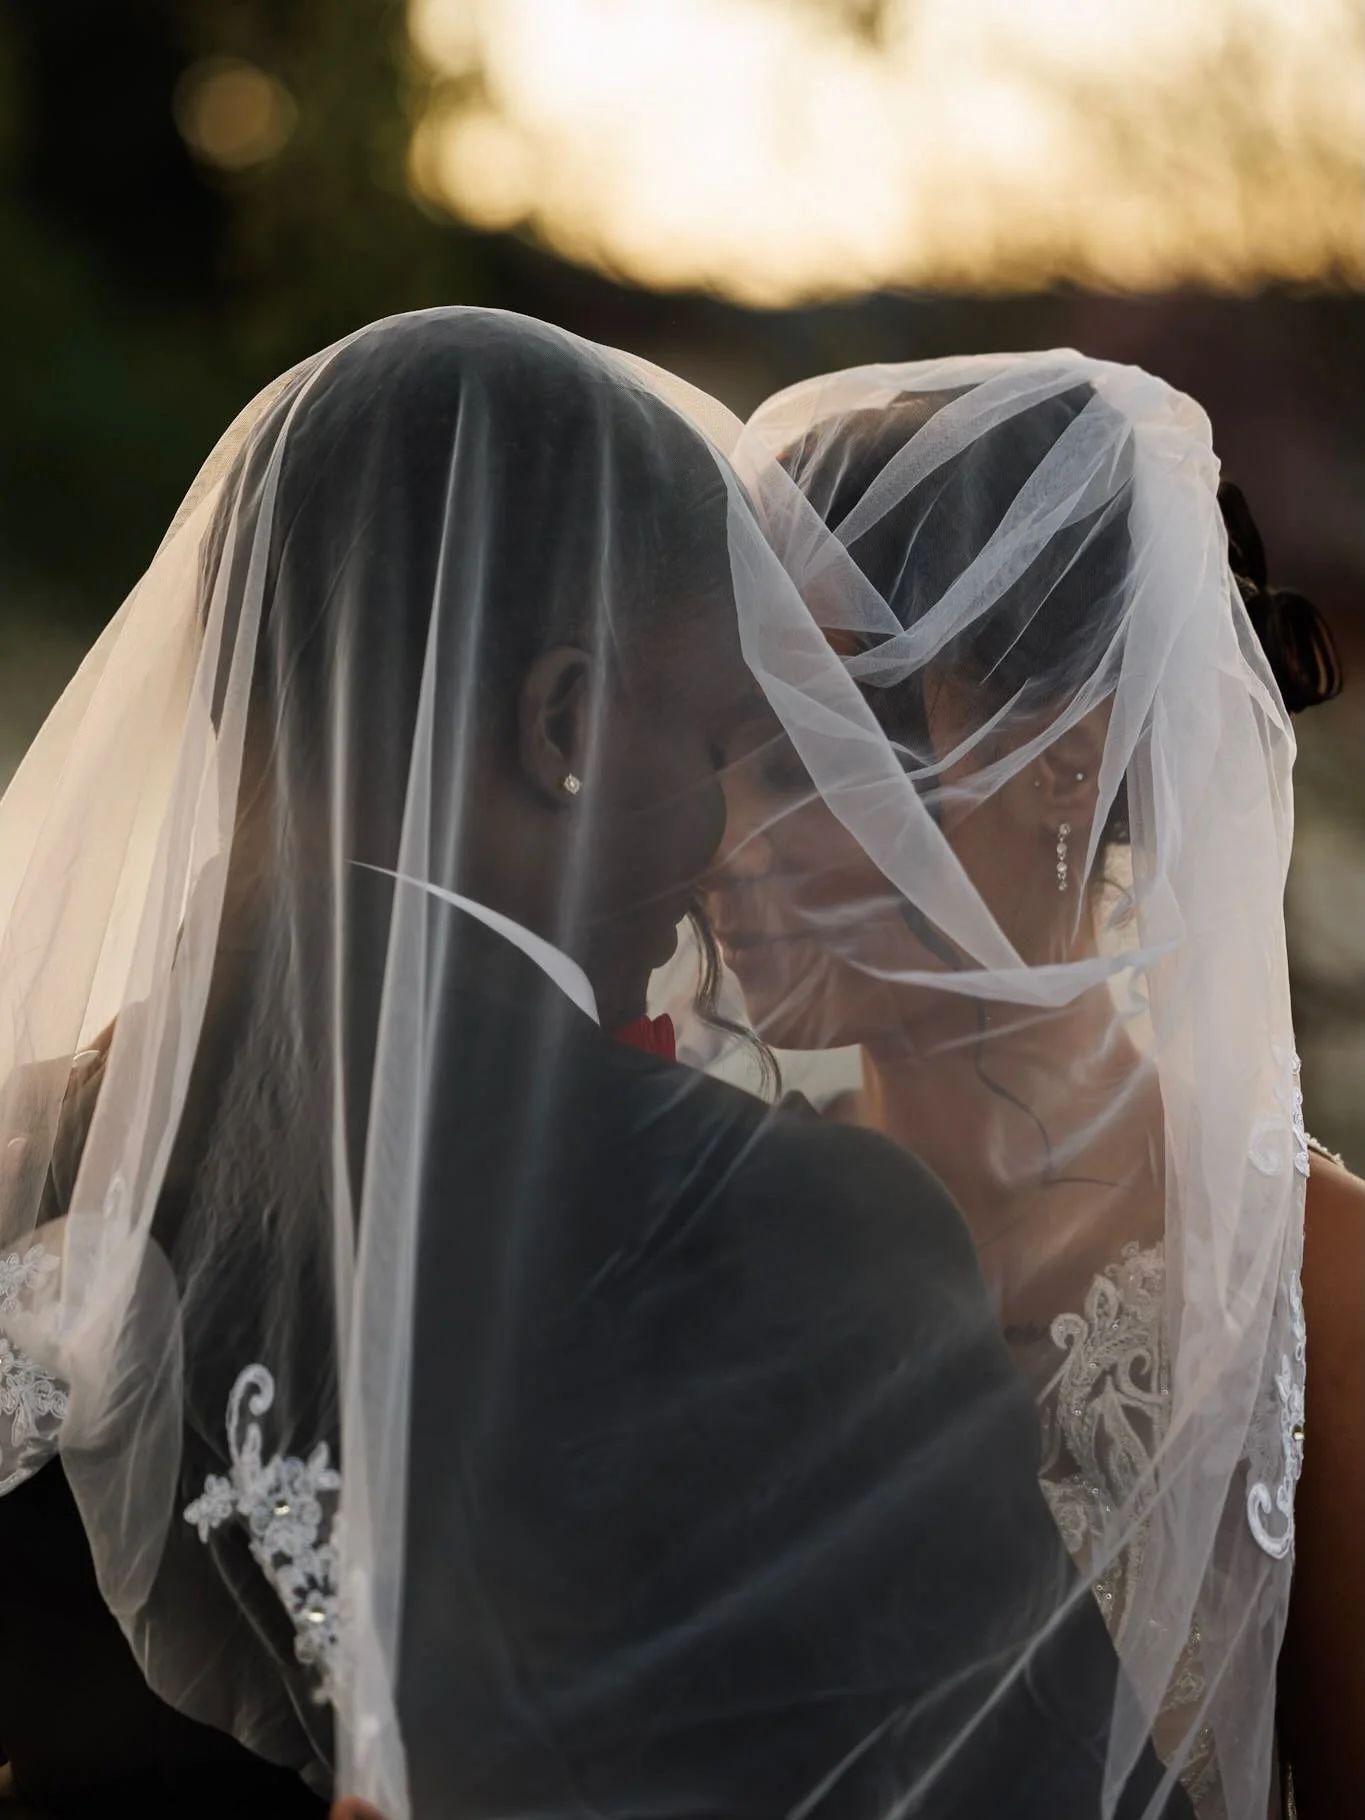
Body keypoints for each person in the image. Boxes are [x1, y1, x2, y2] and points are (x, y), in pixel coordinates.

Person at [0, 314, 1191, 1819]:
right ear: (563, 726)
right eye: (717, 740)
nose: (722, 857)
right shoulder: (779, 1234)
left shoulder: (42, 1155)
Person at [700, 351, 1360, 1817]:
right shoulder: (708, 1240)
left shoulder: (1319, 1281)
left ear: (1064, 754)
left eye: (823, 758)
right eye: (727, 751)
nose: (732, 842)